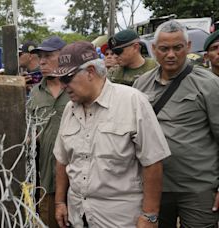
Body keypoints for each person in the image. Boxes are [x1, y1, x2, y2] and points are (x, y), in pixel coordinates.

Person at [53, 41, 171, 227]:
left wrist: (150, 215)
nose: (62, 86)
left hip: (118, 218)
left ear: (90, 72)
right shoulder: (70, 109)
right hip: (78, 215)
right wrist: (60, 202)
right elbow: (62, 160)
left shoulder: (132, 101)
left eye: (67, 79)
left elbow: (153, 162)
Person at [133, 20, 219, 227]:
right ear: (154, 49)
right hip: (154, 188)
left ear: (187, 47)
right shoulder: (141, 84)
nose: (171, 54)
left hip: (198, 187)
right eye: (164, 48)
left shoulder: (208, 84)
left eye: (177, 48)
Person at [27, 35, 68, 228]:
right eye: (40, 56)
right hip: (47, 177)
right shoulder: (35, 93)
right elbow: (29, 128)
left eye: (48, 56)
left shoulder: (76, 87)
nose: (42, 61)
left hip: (79, 174)